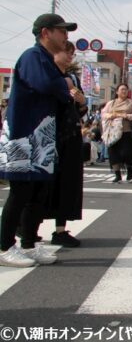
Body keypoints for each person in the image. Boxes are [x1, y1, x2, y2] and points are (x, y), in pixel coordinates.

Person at [0, 13, 78, 267]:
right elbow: (47, 85)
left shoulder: (45, 59)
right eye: (62, 31)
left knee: (39, 193)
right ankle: (4, 246)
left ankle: (29, 243)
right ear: (45, 32)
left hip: (41, 137)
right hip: (23, 135)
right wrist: (64, 82)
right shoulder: (33, 56)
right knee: (20, 192)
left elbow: (62, 92)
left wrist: (64, 84)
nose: (65, 36)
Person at [46, 40, 87, 247]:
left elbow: (81, 110)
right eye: (66, 51)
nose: (70, 55)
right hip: (50, 135)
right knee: (43, 183)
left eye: (72, 53)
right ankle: (27, 227)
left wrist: (81, 101)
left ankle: (60, 229)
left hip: (70, 134)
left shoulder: (73, 78)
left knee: (67, 181)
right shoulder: (47, 75)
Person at [103, 84, 132, 183]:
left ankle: (129, 169)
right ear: (117, 92)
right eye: (122, 89)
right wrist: (111, 115)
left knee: (127, 152)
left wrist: (127, 116)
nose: (124, 91)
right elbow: (103, 114)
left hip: (126, 131)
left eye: (125, 90)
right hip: (112, 133)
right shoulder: (111, 103)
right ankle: (117, 175)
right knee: (113, 153)